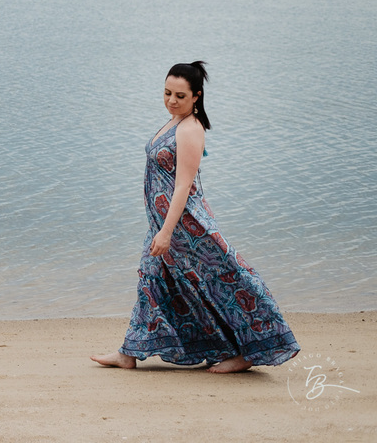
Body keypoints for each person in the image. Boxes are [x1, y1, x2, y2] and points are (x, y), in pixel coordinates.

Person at [92, 61, 299, 372]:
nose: (171, 100)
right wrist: (158, 228)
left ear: (196, 97)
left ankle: (249, 352)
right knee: (153, 280)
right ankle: (129, 352)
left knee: (226, 280)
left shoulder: (190, 128)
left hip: (187, 226)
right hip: (162, 224)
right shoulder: (174, 121)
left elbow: (183, 186)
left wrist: (165, 232)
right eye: (167, 93)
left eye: (179, 95)